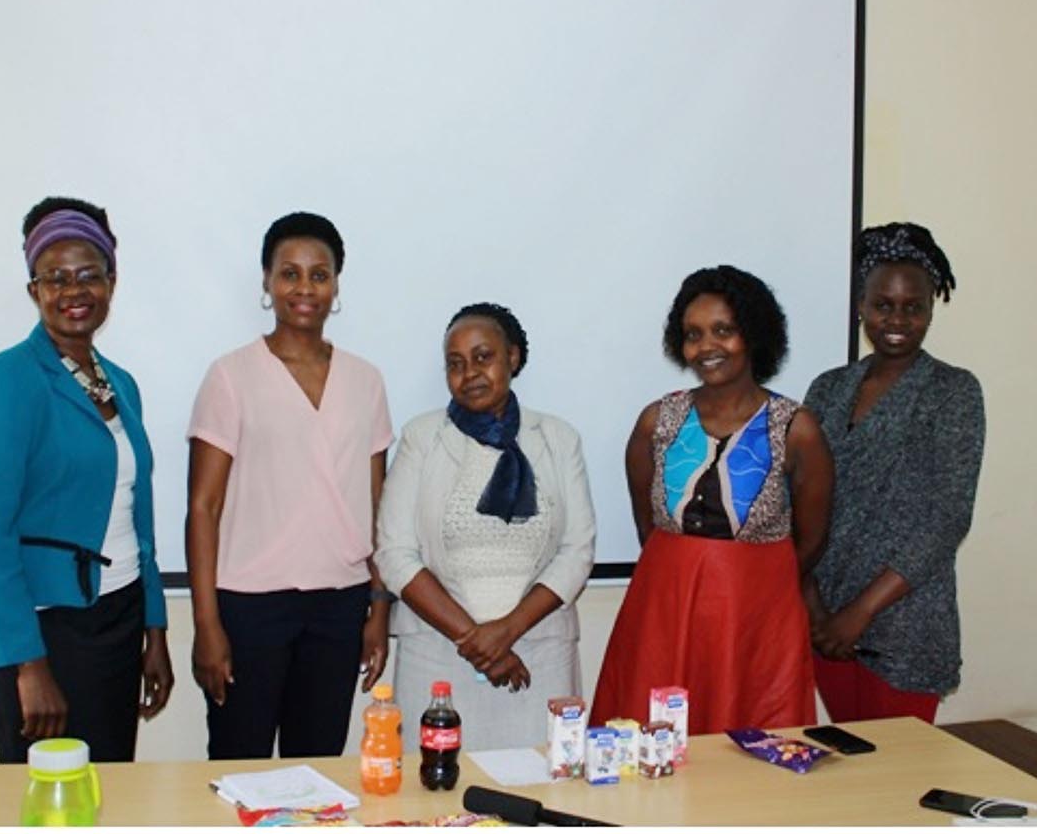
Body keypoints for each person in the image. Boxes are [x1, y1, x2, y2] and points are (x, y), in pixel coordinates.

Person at [0, 196, 173, 763]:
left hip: (116, 615)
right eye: (55, 278)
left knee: (109, 783)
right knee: (48, 795)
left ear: (111, 283)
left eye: (88, 275)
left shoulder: (119, 383)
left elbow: (135, 514)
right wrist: (29, 664)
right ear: (34, 291)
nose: (74, 291)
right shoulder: (3, 381)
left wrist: (154, 628)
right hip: (40, 625)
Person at [185, 211, 394, 759]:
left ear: (336, 285)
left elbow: (379, 508)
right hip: (248, 608)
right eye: (290, 273)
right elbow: (203, 508)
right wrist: (206, 623)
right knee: (240, 765)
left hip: (339, 606)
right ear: (266, 281)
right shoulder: (230, 376)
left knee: (320, 769)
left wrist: (379, 609)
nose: (305, 288)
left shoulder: (366, 381)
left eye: (319, 275)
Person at [590, 265, 833, 733]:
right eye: (693, 334)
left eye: (724, 331)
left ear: (755, 334)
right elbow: (648, 527)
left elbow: (813, 538)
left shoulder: (796, 429)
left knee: (750, 746)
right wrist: (688, 569)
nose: (707, 347)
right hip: (664, 605)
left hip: (757, 617)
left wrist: (753, 582)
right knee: (648, 740)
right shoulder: (656, 421)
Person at [374, 302, 595, 751]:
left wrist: (505, 632)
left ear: (512, 358)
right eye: (454, 364)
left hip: (538, 654)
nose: (469, 373)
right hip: (435, 654)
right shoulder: (422, 437)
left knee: (538, 791)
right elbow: (394, 554)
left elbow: (577, 551)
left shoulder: (558, 438)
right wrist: (475, 640)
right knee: (432, 801)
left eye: (483, 357)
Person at [802, 222, 985, 724]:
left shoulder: (953, 391)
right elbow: (797, 500)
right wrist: (816, 608)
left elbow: (949, 517)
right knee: (848, 772)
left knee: (900, 783)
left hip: (905, 625)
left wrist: (859, 614)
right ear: (861, 306)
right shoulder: (827, 388)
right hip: (824, 624)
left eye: (913, 307)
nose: (897, 319)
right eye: (883, 305)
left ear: (930, 309)